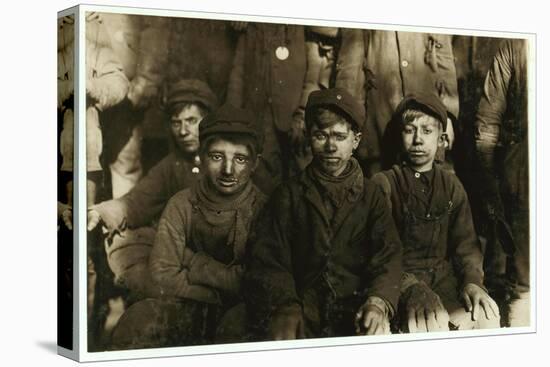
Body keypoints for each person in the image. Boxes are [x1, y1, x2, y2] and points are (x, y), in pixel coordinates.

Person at [245, 88, 402, 340]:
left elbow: (389, 256)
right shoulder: (288, 194)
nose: (330, 146)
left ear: (356, 141)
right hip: (302, 308)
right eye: (321, 135)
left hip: (357, 307)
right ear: (308, 137)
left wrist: (378, 301)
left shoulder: (371, 195)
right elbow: (269, 259)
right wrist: (286, 304)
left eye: (340, 136)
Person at [110, 104, 266, 349]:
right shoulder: (181, 203)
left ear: (255, 163)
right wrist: (220, 289)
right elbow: (162, 276)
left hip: (241, 312)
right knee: (136, 320)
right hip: (188, 304)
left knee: (235, 331)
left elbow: (255, 282)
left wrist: (192, 262)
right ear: (202, 157)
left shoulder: (263, 209)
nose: (228, 170)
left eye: (240, 158)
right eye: (216, 157)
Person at [371, 93, 500, 332]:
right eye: (410, 130)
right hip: (399, 284)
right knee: (427, 324)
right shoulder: (385, 184)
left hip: (445, 281)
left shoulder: (452, 185)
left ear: (441, 139)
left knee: (486, 317)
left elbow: (467, 247)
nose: (418, 139)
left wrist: (473, 283)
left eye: (427, 131)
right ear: (399, 136)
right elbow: (380, 254)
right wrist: (409, 287)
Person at [87, 79, 218, 300]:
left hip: (222, 260)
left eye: (192, 121)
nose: (183, 131)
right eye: (176, 123)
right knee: (125, 242)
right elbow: (137, 200)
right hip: (186, 259)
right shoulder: (172, 165)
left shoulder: (226, 158)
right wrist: (102, 212)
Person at [335, 30, 459, 177]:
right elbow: (350, 69)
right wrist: (349, 119)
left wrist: (448, 115)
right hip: (379, 120)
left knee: (432, 183)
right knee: (382, 185)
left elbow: (444, 61)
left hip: (428, 117)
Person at [474, 39, 529, 327]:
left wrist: (492, 172)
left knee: (525, 280)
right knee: (524, 279)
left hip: (521, 169)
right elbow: (488, 119)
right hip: (524, 168)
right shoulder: (516, 45)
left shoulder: (518, 43)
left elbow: (487, 121)